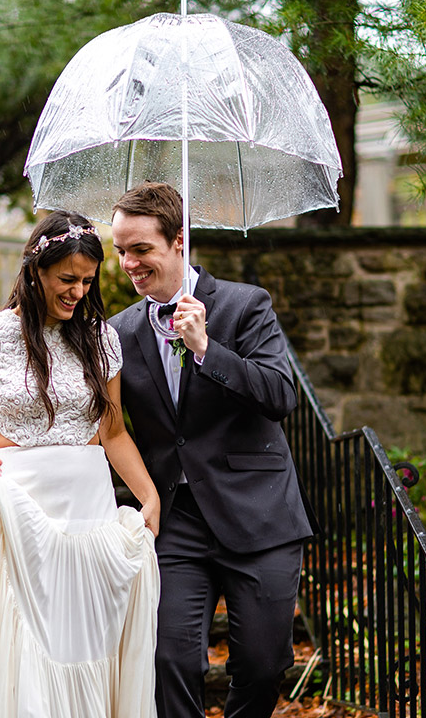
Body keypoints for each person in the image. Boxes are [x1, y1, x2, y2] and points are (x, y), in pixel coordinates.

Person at [0, 210, 162, 718]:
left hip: (88, 511)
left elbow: (112, 431)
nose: (78, 292)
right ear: (35, 270)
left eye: (86, 281)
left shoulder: (101, 339)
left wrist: (148, 496)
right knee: (29, 649)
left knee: (88, 643)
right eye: (67, 279)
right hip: (21, 511)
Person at [106, 181, 315, 718]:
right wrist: (6, 450)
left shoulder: (246, 305)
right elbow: (99, 424)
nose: (128, 263)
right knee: (169, 660)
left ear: (180, 240)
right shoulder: (118, 332)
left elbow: (279, 395)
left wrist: (206, 348)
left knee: (264, 665)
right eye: (121, 250)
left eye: (141, 249)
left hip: (259, 513)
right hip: (175, 521)